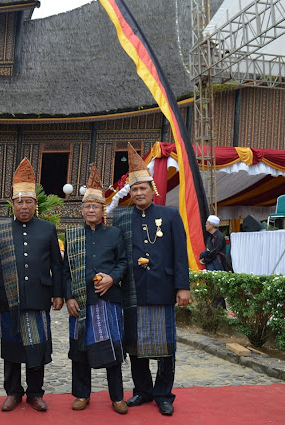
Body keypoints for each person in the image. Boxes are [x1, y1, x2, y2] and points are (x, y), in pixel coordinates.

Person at [111, 144, 190, 417]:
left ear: (152, 189)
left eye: (143, 188)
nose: (139, 193)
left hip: (164, 288)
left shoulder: (169, 215)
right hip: (132, 290)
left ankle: (163, 394)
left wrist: (183, 287)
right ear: (129, 194)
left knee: (165, 346)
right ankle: (142, 390)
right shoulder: (121, 218)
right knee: (135, 345)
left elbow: (181, 253)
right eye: (134, 189)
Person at [0, 158, 63, 412]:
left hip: (39, 296)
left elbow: (56, 264)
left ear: (35, 204)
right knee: (12, 345)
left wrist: (58, 294)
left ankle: (35, 393)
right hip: (9, 297)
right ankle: (13, 392)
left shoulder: (48, 229)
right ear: (13, 204)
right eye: (19, 202)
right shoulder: (0, 229)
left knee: (36, 346)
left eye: (28, 201)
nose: (24, 206)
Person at [63, 164, 128, 414]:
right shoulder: (72, 236)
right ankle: (82, 394)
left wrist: (112, 277)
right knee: (80, 351)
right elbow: (65, 270)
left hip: (108, 300)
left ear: (104, 210)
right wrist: (69, 296)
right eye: (87, 206)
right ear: (82, 210)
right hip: (80, 300)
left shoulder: (114, 234)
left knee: (113, 349)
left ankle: (117, 396)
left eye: (96, 206)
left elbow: (123, 262)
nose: (91, 210)